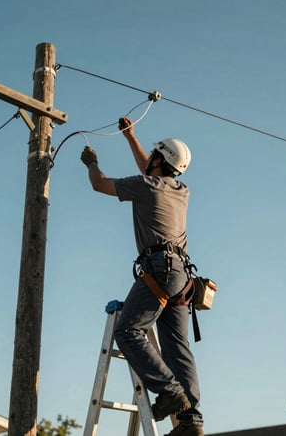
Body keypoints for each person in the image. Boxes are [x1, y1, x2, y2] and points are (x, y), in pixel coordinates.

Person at [80, 117, 204, 436]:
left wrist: (92, 163)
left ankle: (168, 390)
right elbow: (150, 167)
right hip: (182, 276)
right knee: (177, 348)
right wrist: (130, 136)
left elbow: (99, 184)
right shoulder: (181, 189)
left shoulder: (145, 185)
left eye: (153, 156)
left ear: (159, 159)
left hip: (159, 269)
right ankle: (191, 421)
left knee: (129, 331)